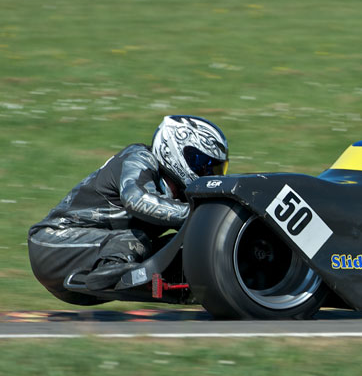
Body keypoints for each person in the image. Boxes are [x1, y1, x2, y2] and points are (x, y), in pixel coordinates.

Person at [27, 115, 229, 303]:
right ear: (174, 150)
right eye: (203, 164)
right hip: (51, 244)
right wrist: (198, 215)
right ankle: (114, 269)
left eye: (217, 168)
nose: (209, 173)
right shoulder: (139, 158)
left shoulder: (182, 193)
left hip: (89, 266)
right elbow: (137, 200)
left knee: (185, 244)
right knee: (135, 239)